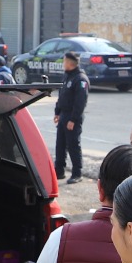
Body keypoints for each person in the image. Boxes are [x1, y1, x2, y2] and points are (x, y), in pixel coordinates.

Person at [54, 51, 90, 184]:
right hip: (63, 114)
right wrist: (57, 112)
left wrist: (73, 119)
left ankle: (77, 173)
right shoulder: (67, 77)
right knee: (60, 144)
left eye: (64, 61)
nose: (63, 64)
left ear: (70, 63)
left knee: (73, 145)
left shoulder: (80, 79)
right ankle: (59, 171)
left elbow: (80, 102)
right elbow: (61, 96)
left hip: (72, 116)